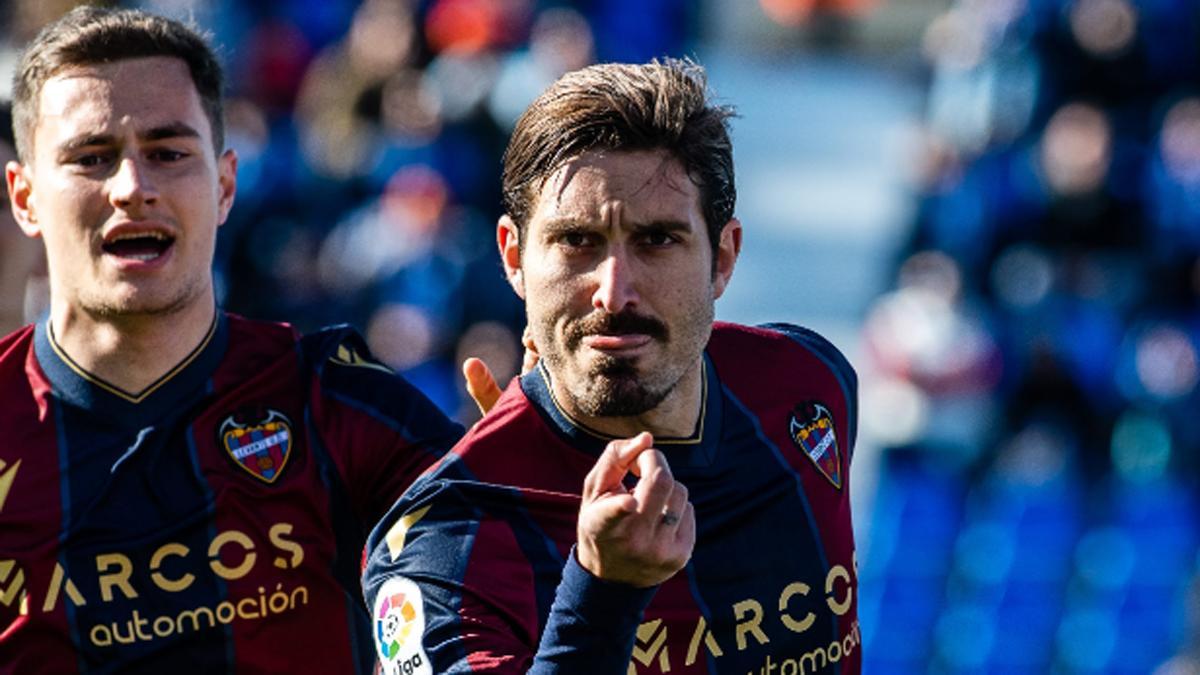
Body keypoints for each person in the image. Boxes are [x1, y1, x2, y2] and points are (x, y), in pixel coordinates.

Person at [0, 7, 496, 672]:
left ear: (226, 183)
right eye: (91, 158)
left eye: (169, 153)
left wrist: (532, 461)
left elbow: (496, 590)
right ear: (25, 196)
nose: (132, 187)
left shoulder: (335, 404)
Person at [363, 59, 861, 674]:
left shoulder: (809, 383)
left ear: (723, 258)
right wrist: (602, 593)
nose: (613, 292)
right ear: (514, 258)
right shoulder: (443, 541)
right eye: (577, 242)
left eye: (657, 240)